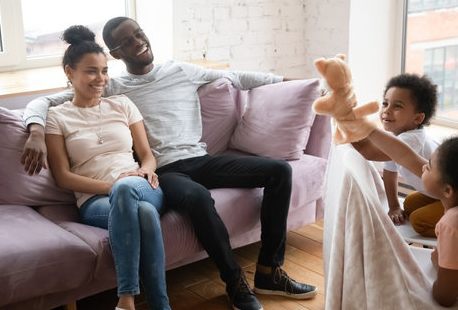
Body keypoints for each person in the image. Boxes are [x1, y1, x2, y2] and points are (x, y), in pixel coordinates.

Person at [21, 17, 317, 310]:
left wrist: (294, 84)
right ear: (116, 53)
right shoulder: (113, 87)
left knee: (279, 170)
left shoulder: (179, 70)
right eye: (126, 41)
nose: (138, 42)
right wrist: (35, 130)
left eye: (138, 34)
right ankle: (234, 282)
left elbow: (238, 77)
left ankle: (269, 271)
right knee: (198, 197)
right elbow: (46, 102)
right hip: (165, 172)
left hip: (201, 160)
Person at [43, 25, 170, 310]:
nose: (100, 79)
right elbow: (63, 177)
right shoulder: (56, 118)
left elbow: (147, 155)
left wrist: (145, 171)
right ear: (69, 72)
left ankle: (126, 299)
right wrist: (114, 186)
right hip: (94, 202)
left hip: (142, 186)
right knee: (145, 215)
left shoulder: (122, 104)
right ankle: (161, 306)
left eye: (104, 71)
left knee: (133, 194)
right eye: (91, 71)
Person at [362, 128, 458, 306]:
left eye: (428, 166)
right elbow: (405, 156)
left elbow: (445, 297)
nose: (422, 167)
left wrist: (439, 265)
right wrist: (366, 127)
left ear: (447, 190)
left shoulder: (453, 225)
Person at [352, 74, 442, 237]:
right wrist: (393, 206)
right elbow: (389, 173)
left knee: (418, 220)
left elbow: (369, 151)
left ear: (418, 118)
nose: (386, 110)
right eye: (385, 103)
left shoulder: (411, 139)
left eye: (397, 106)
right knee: (409, 203)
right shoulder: (395, 138)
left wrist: (344, 119)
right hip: (439, 194)